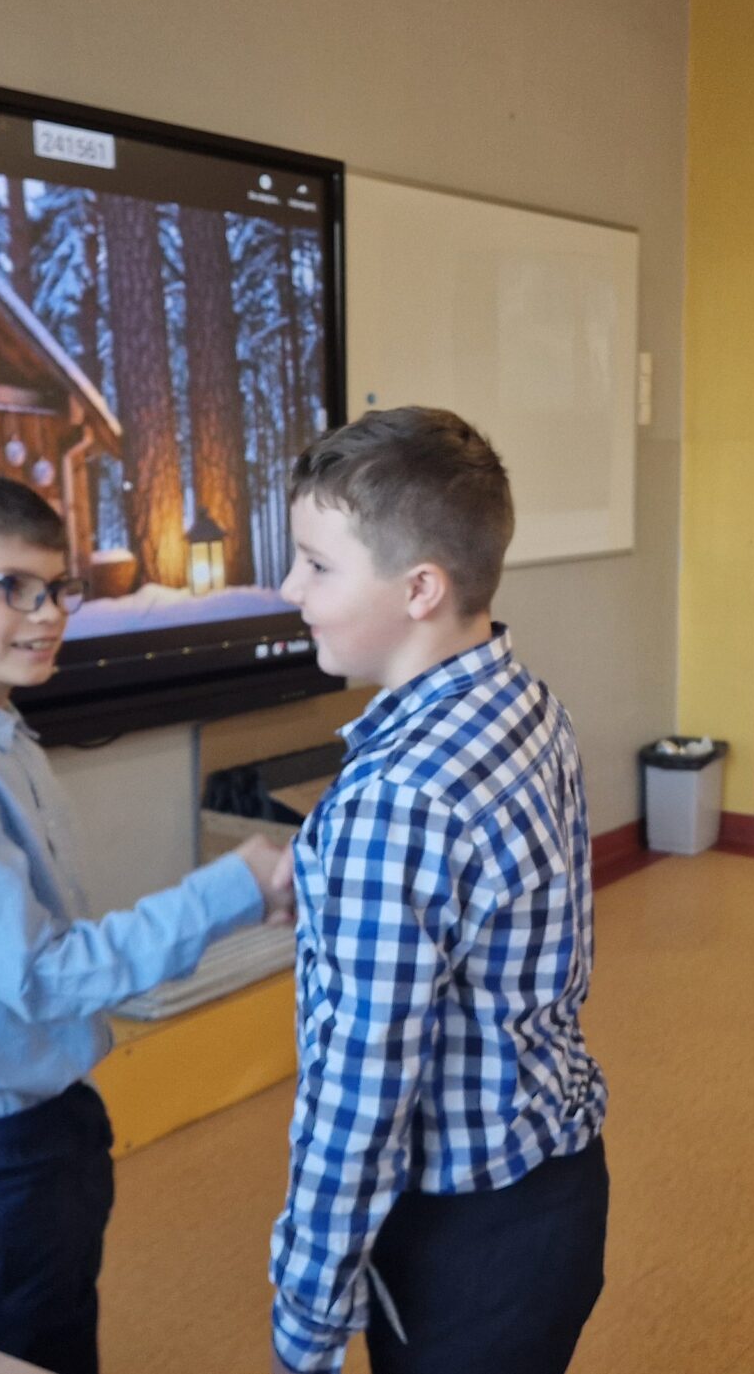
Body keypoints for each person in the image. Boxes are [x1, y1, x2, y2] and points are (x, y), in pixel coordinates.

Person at [0, 470, 293, 1374]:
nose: (47, 615)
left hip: (47, 1128)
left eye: (57, 589)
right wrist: (230, 888)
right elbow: (43, 974)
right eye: (9, 587)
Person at [267, 408, 607, 1374]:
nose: (291, 588)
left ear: (421, 588)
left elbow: (360, 1095)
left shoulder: (395, 799)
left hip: (465, 1244)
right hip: (559, 1184)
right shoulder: (526, 701)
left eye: (317, 565)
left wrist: (307, 1313)